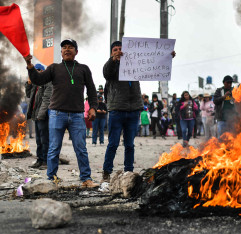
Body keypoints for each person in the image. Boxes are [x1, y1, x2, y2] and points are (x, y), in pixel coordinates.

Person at [24, 38, 99, 188]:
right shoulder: (54, 68)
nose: (67, 49)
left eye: (70, 47)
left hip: (77, 115)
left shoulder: (83, 69)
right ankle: (51, 179)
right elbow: (38, 80)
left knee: (81, 148)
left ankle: (86, 179)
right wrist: (29, 65)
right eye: (64, 47)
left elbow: (91, 90)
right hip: (57, 114)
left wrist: (93, 107)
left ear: (76, 52)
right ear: (61, 52)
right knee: (53, 148)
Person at [102, 41, 175, 182]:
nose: (118, 51)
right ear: (112, 53)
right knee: (113, 143)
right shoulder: (111, 66)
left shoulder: (136, 64)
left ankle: (128, 172)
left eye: (120, 49)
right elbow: (106, 72)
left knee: (130, 144)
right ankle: (106, 172)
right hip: (117, 110)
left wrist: (167, 57)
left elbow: (153, 65)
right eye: (115, 50)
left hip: (134, 110)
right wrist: (113, 60)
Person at [25, 63, 52, 169]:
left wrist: (41, 115)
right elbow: (28, 95)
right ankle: (39, 160)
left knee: (45, 139)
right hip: (36, 116)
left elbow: (46, 100)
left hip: (43, 116)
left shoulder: (48, 82)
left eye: (37, 71)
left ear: (42, 71)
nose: (34, 73)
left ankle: (46, 161)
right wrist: (29, 83)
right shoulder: (35, 84)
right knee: (38, 140)